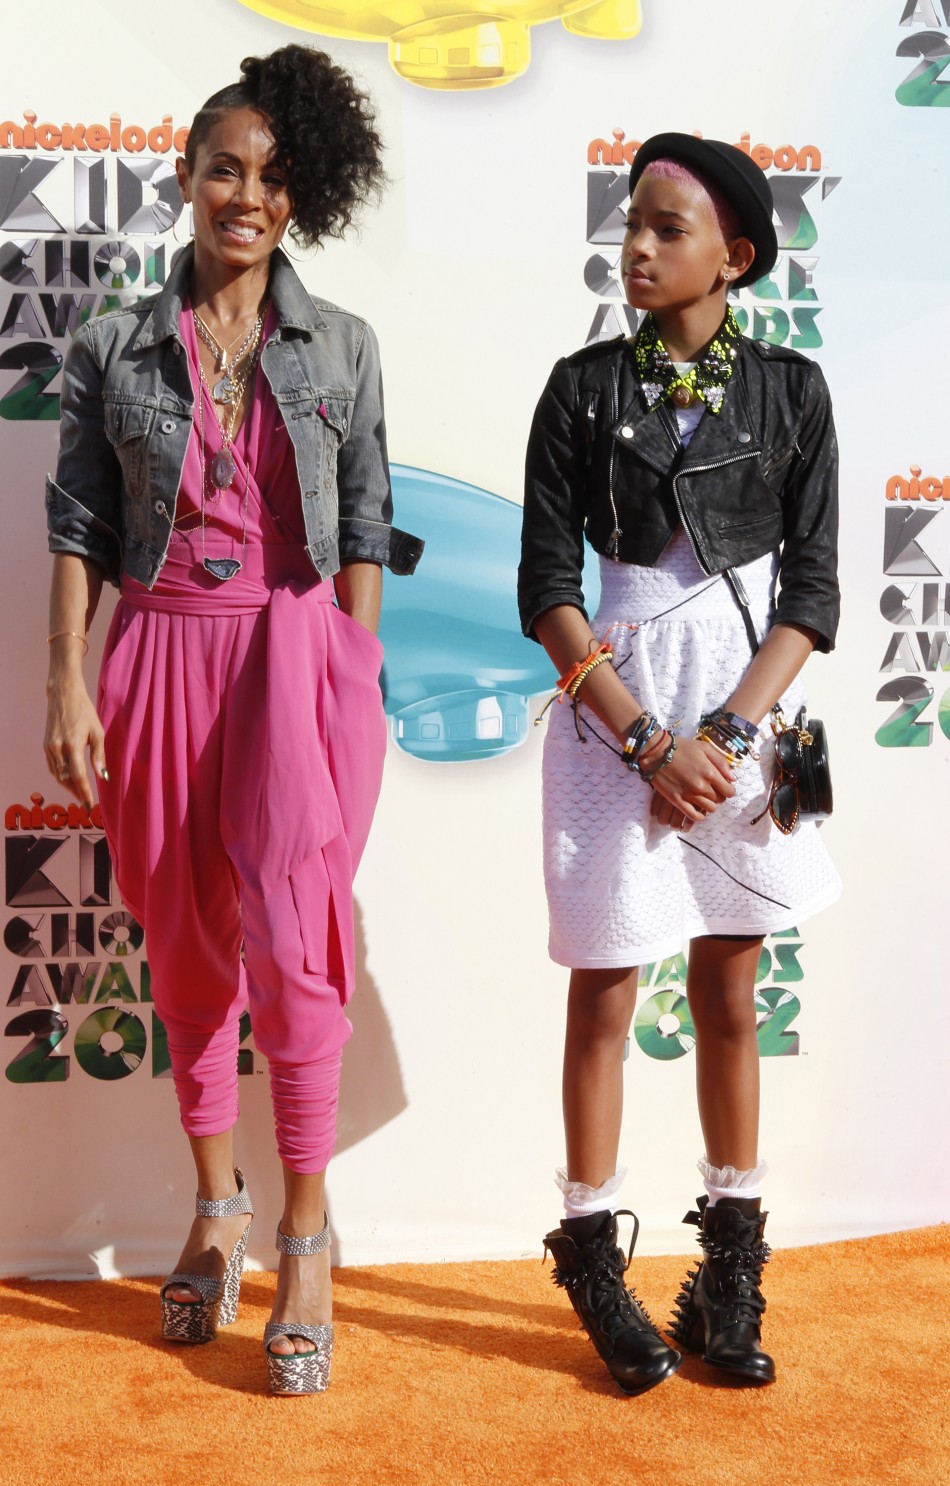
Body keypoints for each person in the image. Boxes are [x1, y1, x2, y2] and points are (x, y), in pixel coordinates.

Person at [43, 44, 422, 1396]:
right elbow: (81, 524)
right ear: (185, 176)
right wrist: (67, 678)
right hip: (157, 653)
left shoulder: (344, 345)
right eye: (222, 170)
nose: (244, 196)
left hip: (292, 658)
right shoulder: (110, 346)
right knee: (187, 945)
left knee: (299, 951)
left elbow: (365, 521)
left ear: (299, 193)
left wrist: (350, 667)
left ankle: (305, 1238)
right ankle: (218, 1208)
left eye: (270, 176)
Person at [518, 133, 840, 1395]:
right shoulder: (580, 388)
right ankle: (592, 1261)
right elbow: (547, 589)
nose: (635, 247)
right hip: (615, 708)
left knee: (729, 988)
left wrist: (725, 737)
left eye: (666, 228)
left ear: (734, 257)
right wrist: (645, 739)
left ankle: (728, 1271)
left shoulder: (792, 392)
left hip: (740, 713)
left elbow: (810, 596)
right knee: (603, 990)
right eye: (630, 224)